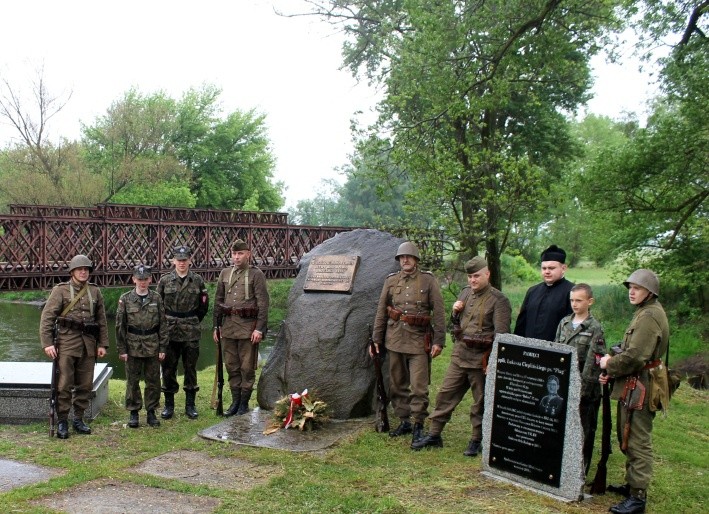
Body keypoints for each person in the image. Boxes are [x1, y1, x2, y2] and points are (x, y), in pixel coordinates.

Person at [412, 256, 511, 455]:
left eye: (477, 276)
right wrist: (455, 313)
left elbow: (502, 335)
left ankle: (476, 440)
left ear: (487, 274)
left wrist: (494, 361)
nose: (473, 280)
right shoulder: (465, 293)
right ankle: (434, 434)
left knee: (480, 402)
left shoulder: (498, 300)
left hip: (481, 360)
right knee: (445, 395)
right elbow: (457, 324)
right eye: (470, 277)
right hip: (460, 355)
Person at [599, 269, 669, 514]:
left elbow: (636, 357)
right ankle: (632, 486)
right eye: (630, 287)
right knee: (627, 434)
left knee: (637, 439)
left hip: (641, 384)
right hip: (634, 381)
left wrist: (609, 364)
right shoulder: (644, 312)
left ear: (649, 292)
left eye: (637, 288)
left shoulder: (649, 315)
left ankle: (638, 497)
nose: (631, 291)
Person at [371, 241, 446, 445]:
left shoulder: (428, 281)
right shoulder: (391, 281)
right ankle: (404, 421)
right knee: (397, 384)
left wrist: (439, 340)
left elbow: (438, 312)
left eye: (409, 257)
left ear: (416, 259)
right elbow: (381, 311)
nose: (405, 260)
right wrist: (376, 338)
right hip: (394, 339)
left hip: (418, 341)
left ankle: (419, 424)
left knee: (419, 387)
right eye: (401, 258)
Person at [39, 254, 109, 439]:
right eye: (80, 269)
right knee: (64, 384)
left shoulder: (95, 291)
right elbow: (47, 318)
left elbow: (101, 320)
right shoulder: (60, 291)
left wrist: (103, 344)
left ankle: (78, 418)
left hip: (88, 344)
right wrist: (47, 343)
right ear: (72, 272)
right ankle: (62, 420)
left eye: (86, 269)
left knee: (85, 384)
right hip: (67, 343)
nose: (83, 272)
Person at [554, 283, 606, 475]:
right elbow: (556, 351)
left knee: (583, 431)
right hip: (563, 386)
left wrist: (581, 391)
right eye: (572, 300)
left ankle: (578, 472)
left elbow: (593, 362)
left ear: (589, 301)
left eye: (579, 300)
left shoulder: (594, 328)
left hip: (585, 391)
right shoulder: (564, 323)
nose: (574, 304)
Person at [213, 239, 269, 416]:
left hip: (247, 329)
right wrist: (216, 326)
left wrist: (259, 328)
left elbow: (263, 303)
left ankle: (244, 403)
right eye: (234, 254)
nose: (237, 257)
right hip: (228, 327)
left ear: (248, 254)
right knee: (231, 366)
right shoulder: (225, 273)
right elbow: (218, 301)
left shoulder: (256, 274)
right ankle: (235, 402)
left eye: (240, 254)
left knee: (246, 367)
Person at [157, 245, 209, 420]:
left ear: (189, 261)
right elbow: (159, 306)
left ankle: (190, 405)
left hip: (190, 331)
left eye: (184, 260)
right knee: (168, 368)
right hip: (170, 331)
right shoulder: (164, 281)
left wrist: (191, 320)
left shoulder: (198, 281)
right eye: (178, 260)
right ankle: (169, 405)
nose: (181, 263)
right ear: (173, 261)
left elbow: (203, 307)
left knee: (190, 368)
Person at [116, 264, 168, 428]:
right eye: (139, 279)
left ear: (150, 279)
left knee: (153, 381)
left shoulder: (156, 298)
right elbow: (120, 326)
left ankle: (151, 411)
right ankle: (134, 412)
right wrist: (122, 349)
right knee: (133, 381)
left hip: (152, 344)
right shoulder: (125, 299)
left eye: (145, 279)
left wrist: (162, 348)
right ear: (134, 279)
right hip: (132, 345)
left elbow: (163, 325)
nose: (142, 282)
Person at [514, 244, 574, 341]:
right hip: (528, 349)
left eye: (551, 268)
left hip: (556, 350)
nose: (547, 272)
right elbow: (521, 324)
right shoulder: (532, 291)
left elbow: (574, 327)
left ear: (563, 268)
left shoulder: (572, 292)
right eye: (544, 268)